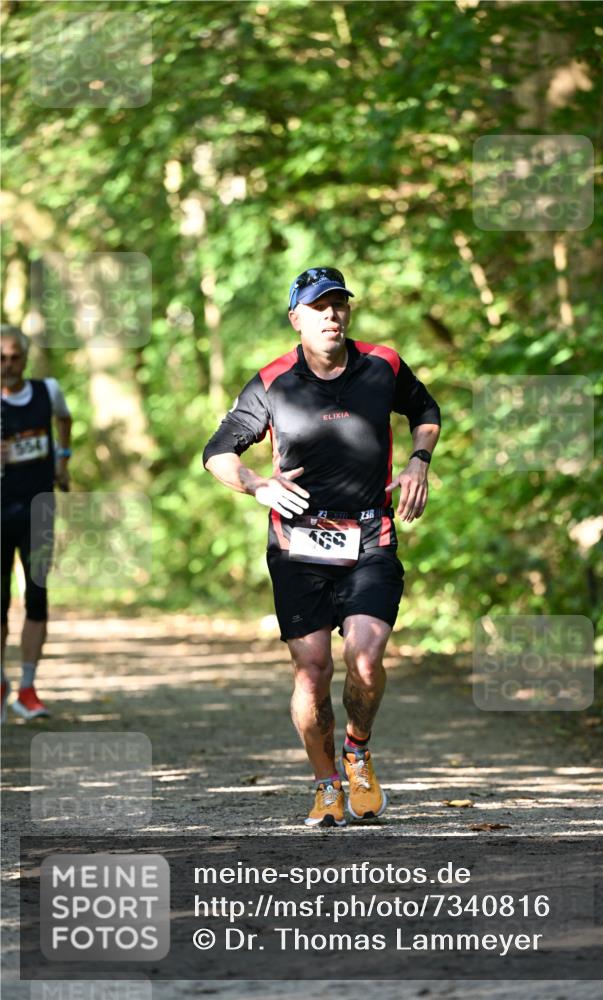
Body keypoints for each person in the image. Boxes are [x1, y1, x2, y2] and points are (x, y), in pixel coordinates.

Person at [203, 267, 440, 826]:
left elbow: (425, 412)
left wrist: (417, 461)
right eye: (319, 307)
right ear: (297, 318)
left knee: (365, 656)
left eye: (339, 305)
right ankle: (326, 782)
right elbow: (217, 453)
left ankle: (357, 752)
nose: (332, 315)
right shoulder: (271, 381)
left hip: (370, 534)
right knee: (311, 668)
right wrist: (259, 484)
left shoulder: (383, 363)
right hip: (298, 544)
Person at [1, 325, 72, 721]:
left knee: (37, 597)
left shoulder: (48, 391)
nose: (8, 365)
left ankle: (27, 688)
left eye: (14, 357)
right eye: (1, 358)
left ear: (25, 358)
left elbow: (64, 419)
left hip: (38, 509)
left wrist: (62, 459)